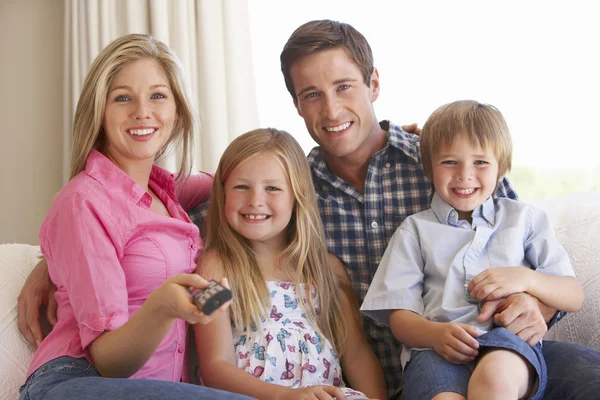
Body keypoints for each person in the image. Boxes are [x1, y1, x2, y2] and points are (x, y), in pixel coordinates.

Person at [18, 19, 600, 400]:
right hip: (414, 371)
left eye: (345, 86)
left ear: (373, 83)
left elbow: (505, 234)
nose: (331, 107)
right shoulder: (288, 185)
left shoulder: (442, 164)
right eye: (311, 94)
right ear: (295, 104)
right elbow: (178, 211)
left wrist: (530, 299)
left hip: (485, 345)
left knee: (586, 374)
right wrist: (55, 260)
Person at [18, 33, 251, 400]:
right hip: (78, 380)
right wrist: (163, 307)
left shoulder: (168, 192)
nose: (142, 111)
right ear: (100, 110)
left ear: (178, 110)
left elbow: (233, 180)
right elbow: (110, 362)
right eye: (122, 97)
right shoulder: (83, 199)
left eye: (158, 95)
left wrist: (48, 260)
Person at [360, 100, 584, 400]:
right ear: (429, 168)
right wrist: (435, 335)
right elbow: (399, 316)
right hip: (435, 352)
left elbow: (573, 295)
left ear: (501, 168)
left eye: (480, 162)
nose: (465, 175)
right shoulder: (414, 230)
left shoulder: (525, 219)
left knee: (496, 380)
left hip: (508, 344)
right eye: (450, 162)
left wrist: (525, 279)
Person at [194, 128, 387, 400]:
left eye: (272, 188)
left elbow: (356, 355)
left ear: (298, 197)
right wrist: (285, 396)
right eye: (241, 186)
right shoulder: (215, 267)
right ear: (223, 193)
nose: (255, 201)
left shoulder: (325, 269)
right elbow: (215, 366)